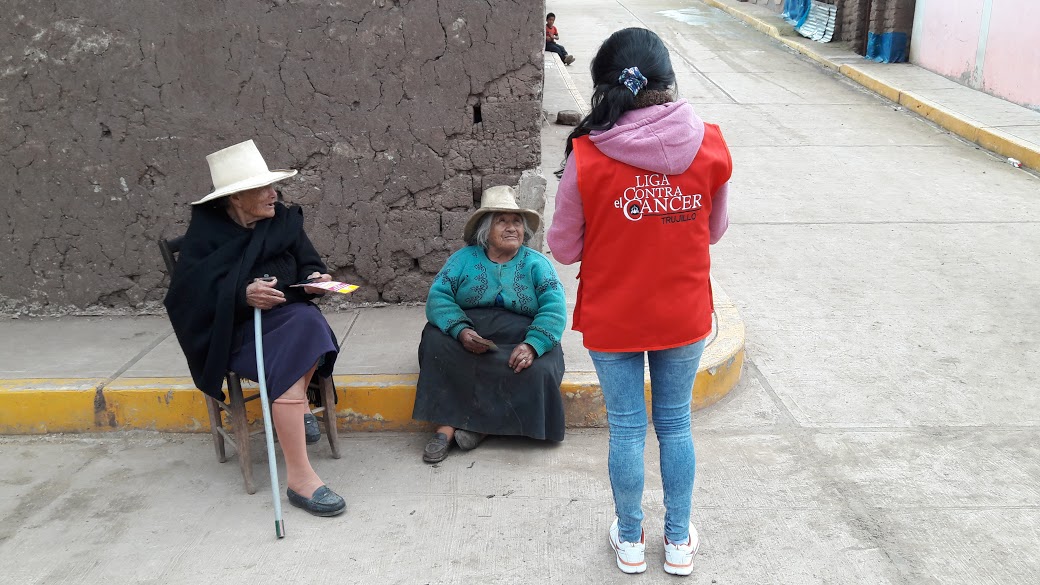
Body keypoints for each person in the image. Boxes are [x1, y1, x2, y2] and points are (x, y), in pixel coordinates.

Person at [546, 28, 733, 576]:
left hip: (614, 315)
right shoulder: (712, 144)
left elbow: (563, 246)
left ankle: (630, 540)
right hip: (682, 313)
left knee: (627, 429)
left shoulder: (588, 154)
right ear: (668, 80)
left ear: (607, 87)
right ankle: (677, 542)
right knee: (675, 426)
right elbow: (714, 230)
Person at [164, 139, 346, 517]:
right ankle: (300, 473)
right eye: (262, 189)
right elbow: (186, 297)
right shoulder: (206, 235)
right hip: (237, 334)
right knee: (308, 330)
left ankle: (294, 419)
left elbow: (309, 262)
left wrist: (314, 279)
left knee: (308, 322)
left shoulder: (283, 220)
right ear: (235, 198)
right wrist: (241, 294)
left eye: (271, 186)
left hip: (290, 321)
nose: (273, 194)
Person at [412, 186, 567, 463]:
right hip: (471, 332)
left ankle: (477, 427)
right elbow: (438, 298)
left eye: (516, 222)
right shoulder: (463, 260)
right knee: (435, 342)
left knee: (539, 370)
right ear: (485, 229)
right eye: (502, 221)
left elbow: (554, 309)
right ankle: (446, 427)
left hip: (520, 336)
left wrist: (533, 346)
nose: (512, 228)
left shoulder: (537, 264)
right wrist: (461, 331)